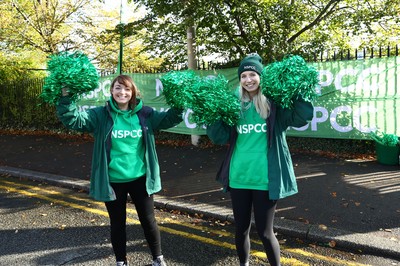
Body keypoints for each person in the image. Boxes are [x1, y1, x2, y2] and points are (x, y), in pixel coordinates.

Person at [56, 75, 184, 266]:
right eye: (117, 88)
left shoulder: (145, 114)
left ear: (133, 92)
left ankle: (158, 258)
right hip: (113, 180)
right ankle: (121, 261)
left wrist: (180, 99)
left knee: (148, 220)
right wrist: (66, 97)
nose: (122, 92)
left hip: (140, 178)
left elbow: (170, 118)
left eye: (126, 89)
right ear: (111, 91)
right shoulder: (101, 115)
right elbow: (75, 120)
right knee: (118, 223)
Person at [206, 54, 314, 266]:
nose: (248, 79)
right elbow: (218, 137)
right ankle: (244, 264)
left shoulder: (275, 106)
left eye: (253, 74)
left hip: (265, 179)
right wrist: (212, 115)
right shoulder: (233, 107)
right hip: (239, 177)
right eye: (244, 75)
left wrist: (299, 90)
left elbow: (302, 117)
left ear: (260, 77)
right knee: (241, 229)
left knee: (265, 233)